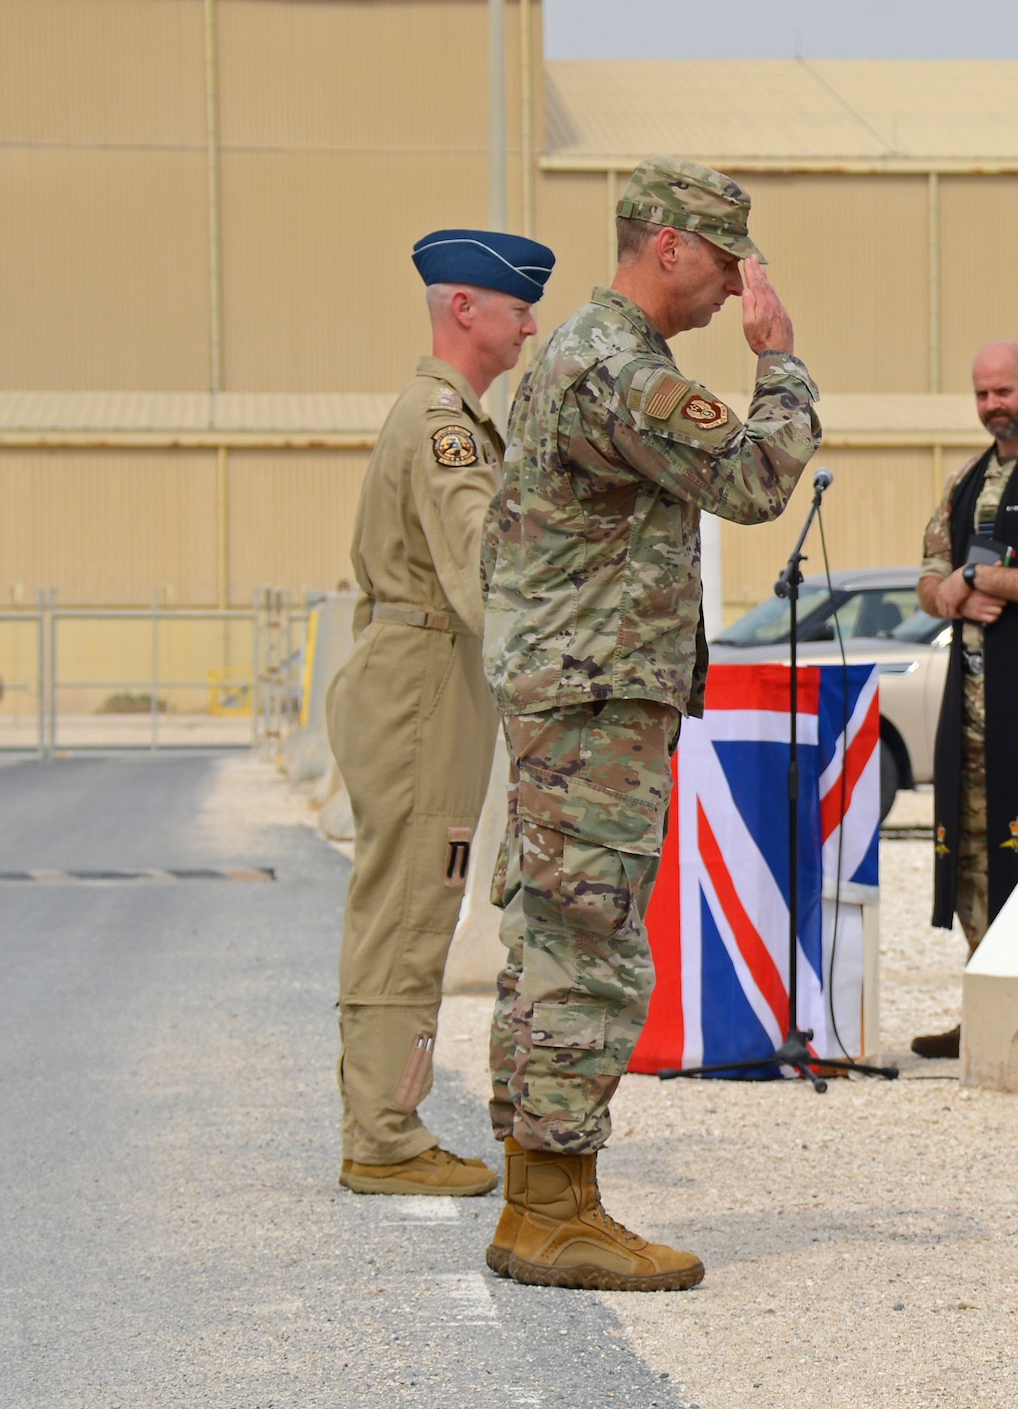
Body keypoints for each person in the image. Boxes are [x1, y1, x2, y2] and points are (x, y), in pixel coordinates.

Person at [480, 157, 819, 1291]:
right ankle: (551, 1211)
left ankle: (542, 1191)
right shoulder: (617, 370)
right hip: (592, 702)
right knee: (590, 949)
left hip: (573, 694)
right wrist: (779, 359)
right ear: (665, 244)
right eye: (728, 258)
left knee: (550, 939)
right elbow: (759, 477)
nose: (738, 284)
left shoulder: (597, 355)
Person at [330, 228, 555, 1196]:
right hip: (423, 677)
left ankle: (386, 1119)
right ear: (463, 309)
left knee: (413, 893)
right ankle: (383, 1137)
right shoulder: (442, 425)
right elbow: (482, 574)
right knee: (412, 901)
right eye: (516, 309)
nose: (530, 327)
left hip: (423, 669)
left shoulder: (443, 416)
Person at [909, 341, 1018, 1060]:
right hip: (968, 711)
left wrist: (980, 584)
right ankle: (982, 1006)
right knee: (970, 858)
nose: (992, 407)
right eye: (981, 395)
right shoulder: (964, 481)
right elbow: (928, 579)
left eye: (1003, 392)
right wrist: (948, 593)